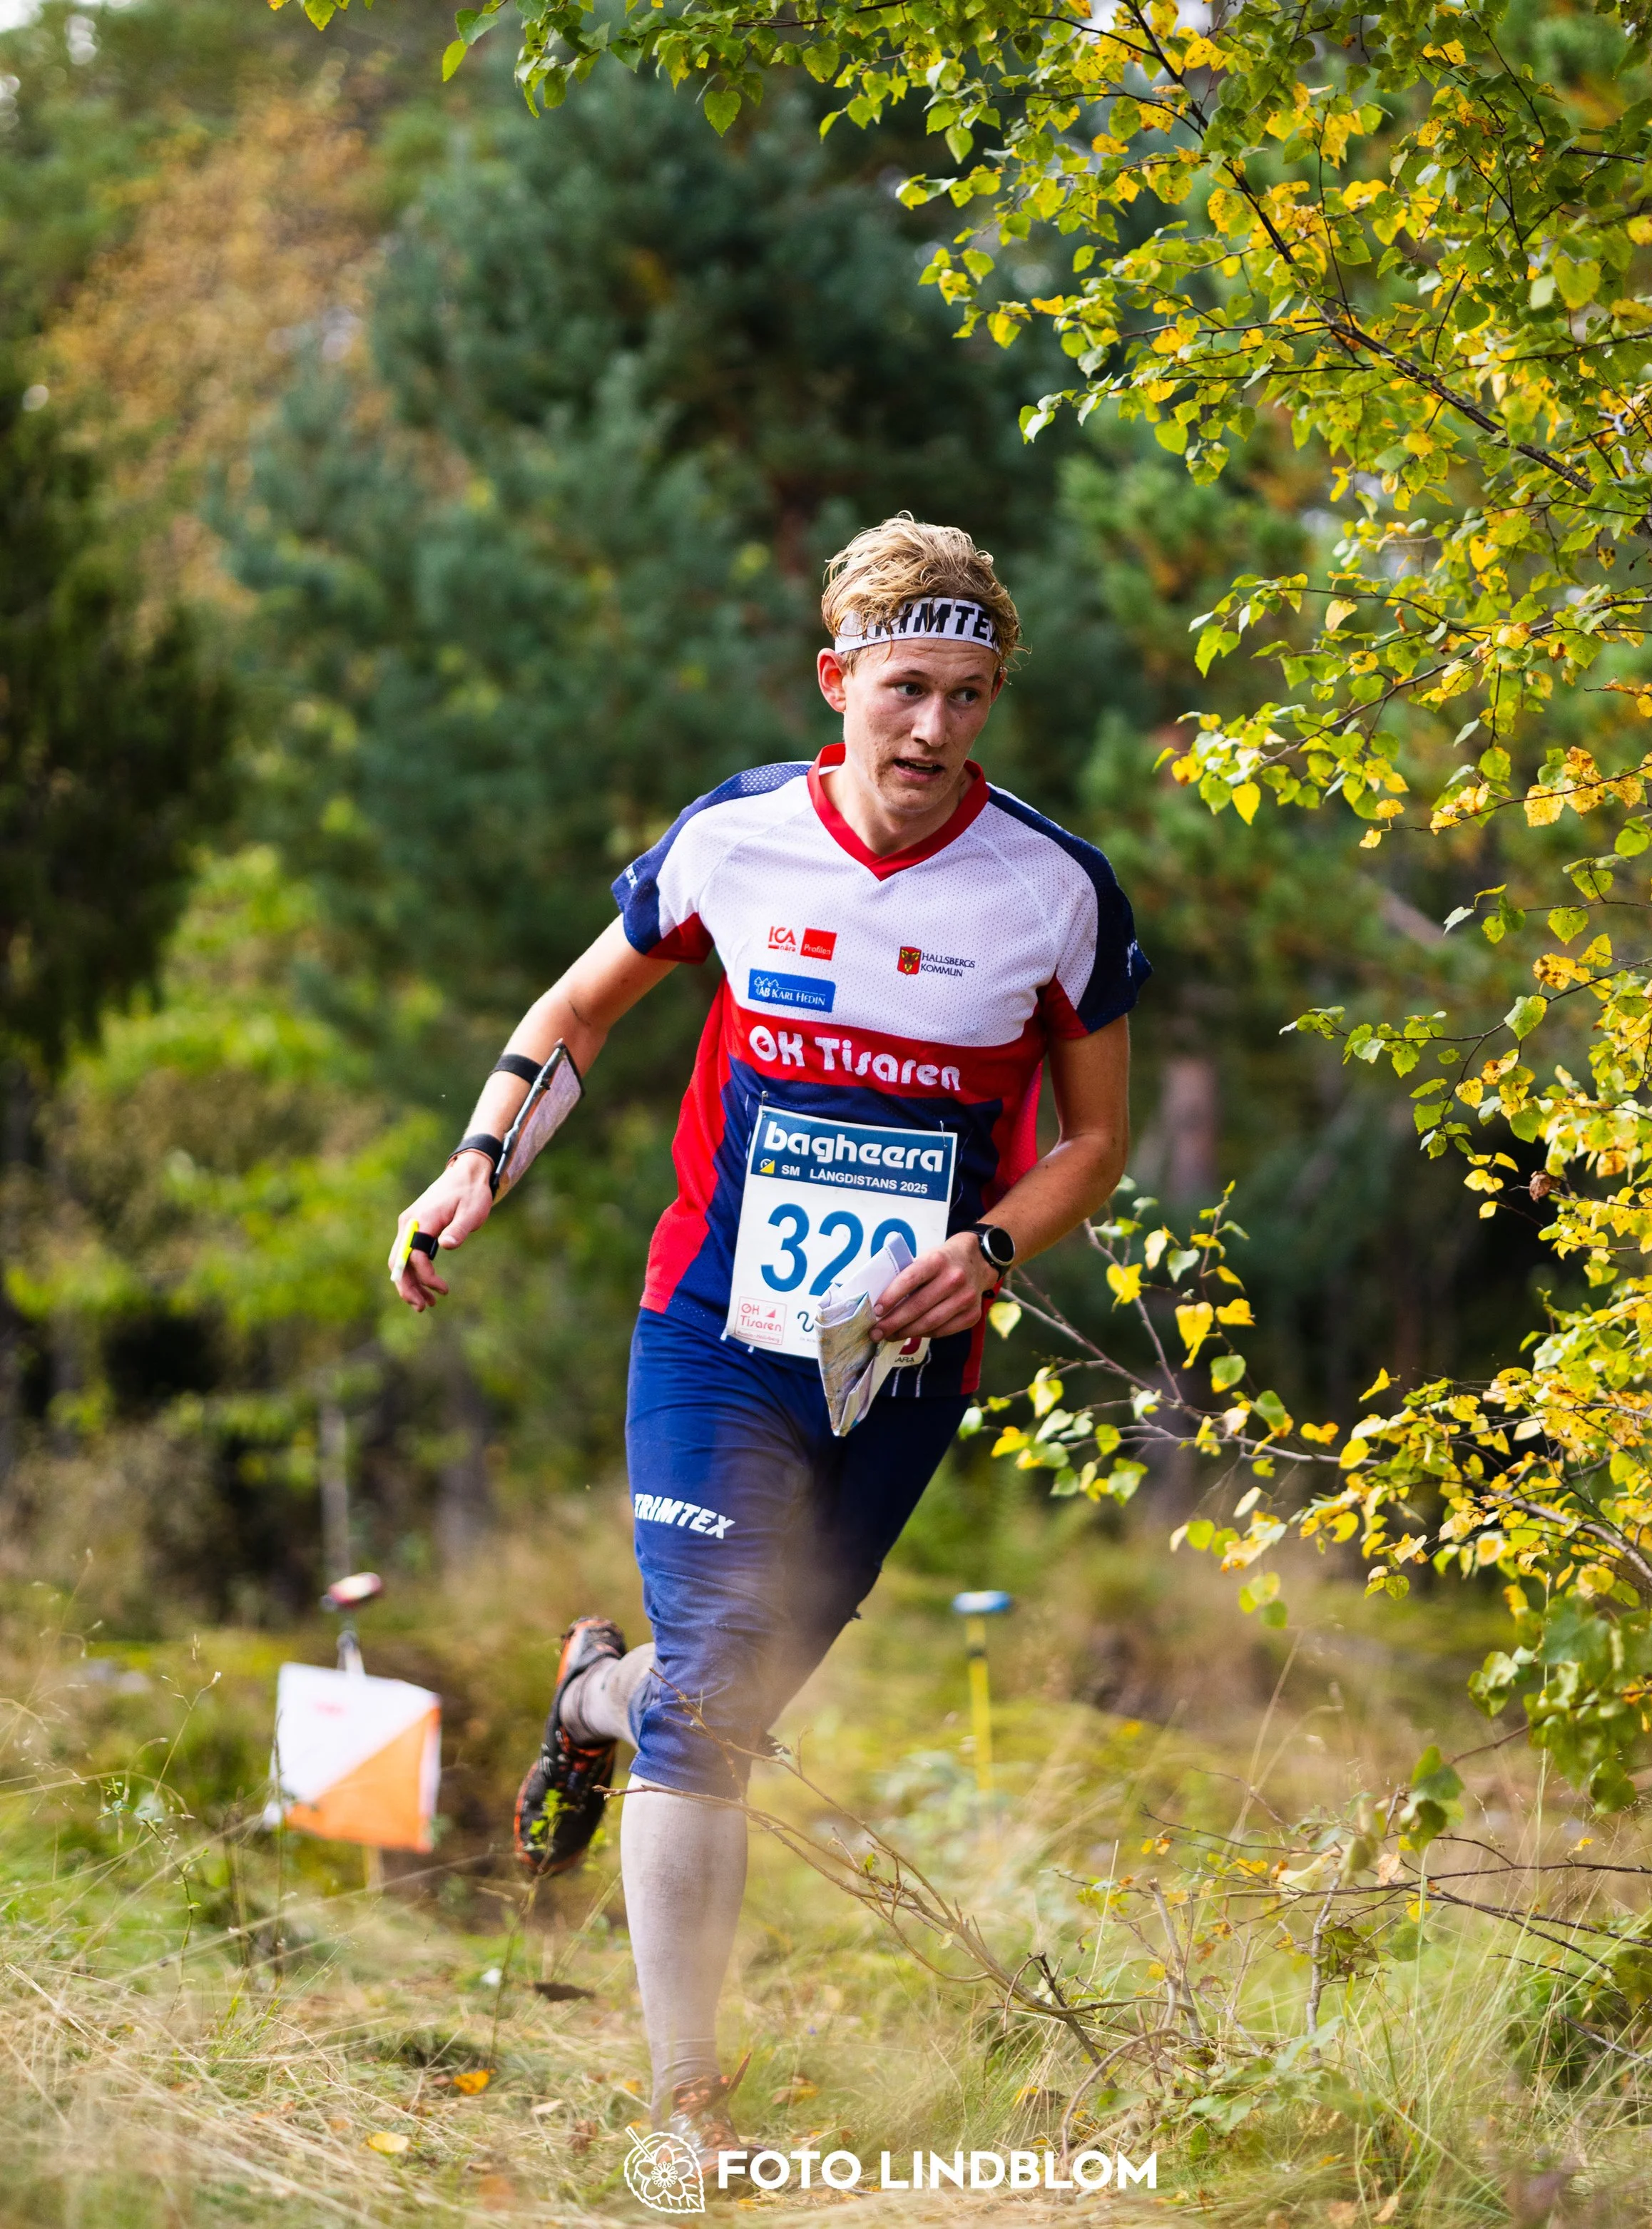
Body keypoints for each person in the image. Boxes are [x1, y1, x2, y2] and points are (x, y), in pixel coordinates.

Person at [388, 516, 1148, 2166]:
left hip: (900, 1357)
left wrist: (994, 1246)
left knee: (719, 1700)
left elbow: (1094, 1138)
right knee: (722, 1680)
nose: (934, 731)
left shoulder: (1053, 887)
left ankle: (593, 1697)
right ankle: (685, 2111)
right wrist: (473, 1164)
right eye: (904, 689)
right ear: (837, 682)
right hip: (712, 1327)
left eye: (968, 695)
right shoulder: (736, 838)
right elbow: (574, 1012)